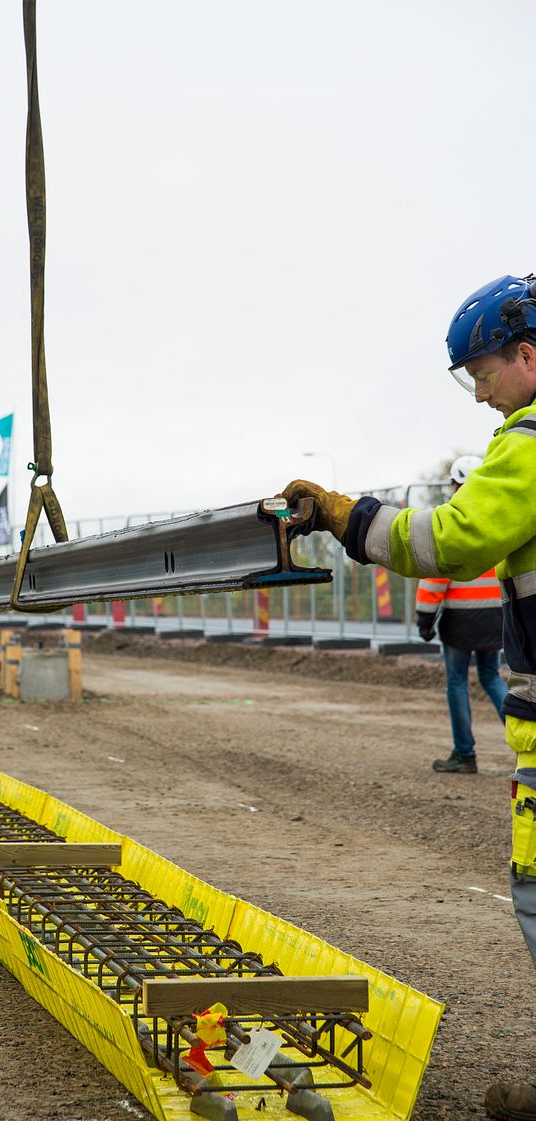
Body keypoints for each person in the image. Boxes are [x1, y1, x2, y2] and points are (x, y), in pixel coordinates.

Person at [281, 274, 536, 1121]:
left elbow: (453, 539)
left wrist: (350, 517)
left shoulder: (529, 440)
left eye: (483, 372)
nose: (479, 392)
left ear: (526, 353)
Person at [416, 454, 507, 774]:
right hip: (494, 618)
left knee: (456, 682)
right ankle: (530, 745)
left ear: (456, 484)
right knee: (491, 677)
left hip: (460, 621)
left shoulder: (451, 520)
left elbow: (436, 572)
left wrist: (424, 618)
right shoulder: (497, 517)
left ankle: (464, 754)